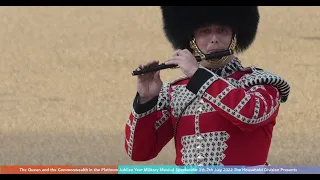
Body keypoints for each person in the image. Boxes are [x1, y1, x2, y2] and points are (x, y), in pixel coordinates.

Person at [124, 6, 290, 166]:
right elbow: (140, 153)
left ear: (235, 36)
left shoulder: (262, 82)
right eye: (204, 31)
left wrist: (199, 76)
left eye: (222, 30)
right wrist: (146, 101)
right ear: (192, 39)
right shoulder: (174, 91)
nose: (214, 38)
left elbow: (249, 116)